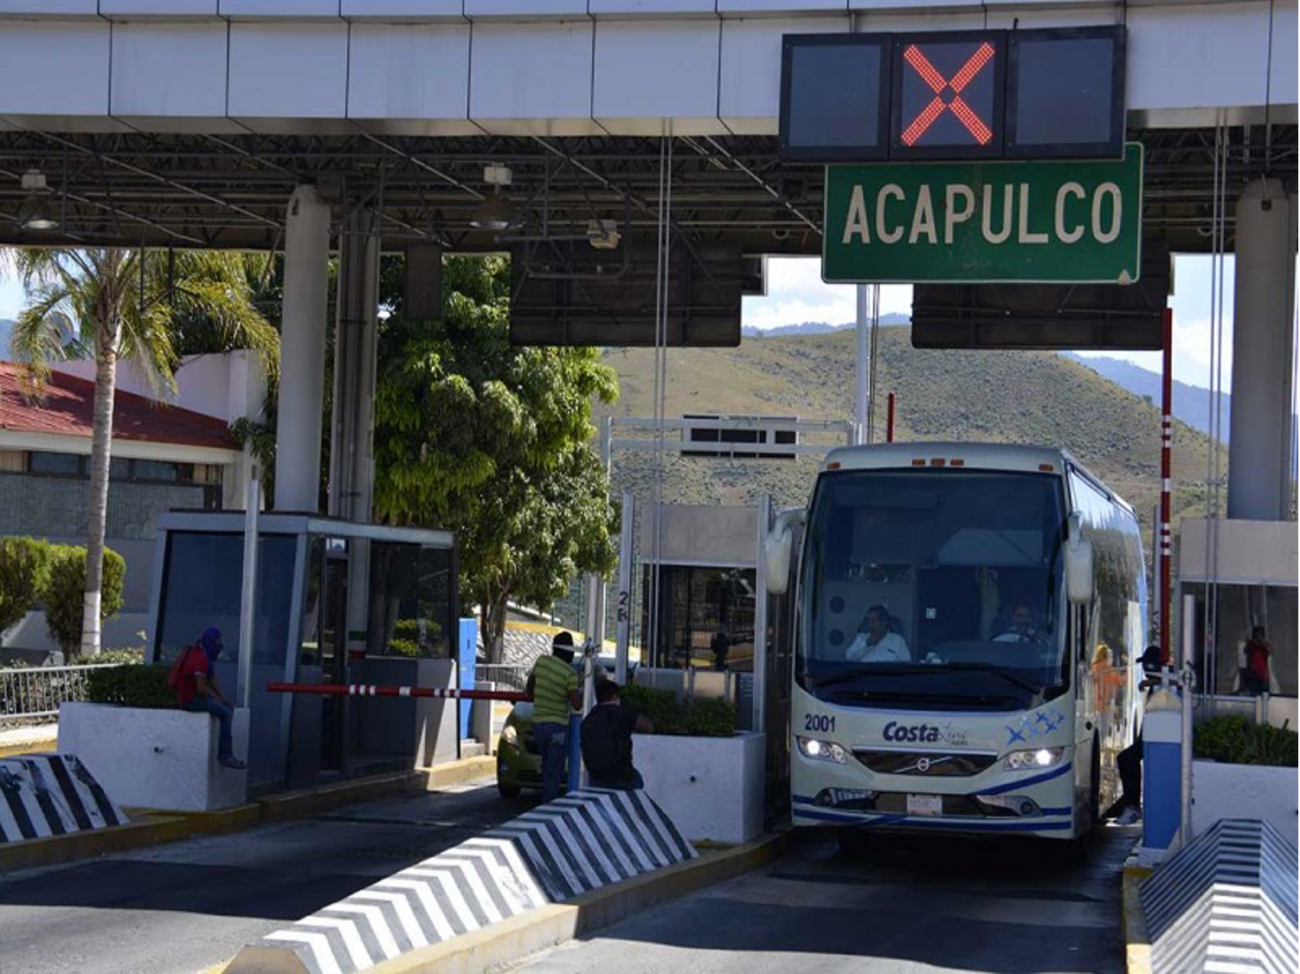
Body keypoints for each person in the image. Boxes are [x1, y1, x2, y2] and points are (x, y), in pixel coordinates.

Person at [171, 627, 246, 770]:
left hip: (191, 697)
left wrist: (222, 698)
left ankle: (226, 753)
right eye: (217, 642)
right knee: (226, 714)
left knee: (227, 708)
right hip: (190, 700)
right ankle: (226, 755)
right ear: (210, 642)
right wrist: (217, 699)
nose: (219, 646)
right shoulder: (200, 658)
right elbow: (201, 688)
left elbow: (211, 678)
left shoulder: (203, 655)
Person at [526, 631, 582, 801]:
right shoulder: (569, 673)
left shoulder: (541, 661)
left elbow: (529, 688)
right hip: (557, 727)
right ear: (569, 651)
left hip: (538, 725)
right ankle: (548, 806)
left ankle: (546, 800)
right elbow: (577, 704)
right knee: (553, 771)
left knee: (546, 767)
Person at [1115, 645, 1164, 825]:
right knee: (1126, 758)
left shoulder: (1162, 685)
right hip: (1152, 735)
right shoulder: (1156, 684)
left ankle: (1133, 807)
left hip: (1159, 737)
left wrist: (1150, 683)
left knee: (1127, 759)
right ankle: (1130, 804)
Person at [581, 680, 654, 790]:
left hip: (596, 778)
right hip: (622, 778)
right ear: (615, 696)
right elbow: (648, 727)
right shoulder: (623, 713)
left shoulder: (588, 720)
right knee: (638, 779)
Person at [845, 605, 910, 662]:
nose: (869, 625)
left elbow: (906, 663)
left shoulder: (898, 640)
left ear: (884, 622)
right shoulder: (861, 637)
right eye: (868, 621)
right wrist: (866, 644)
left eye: (873, 621)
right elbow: (849, 657)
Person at [1242, 626, 1272, 696]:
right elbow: (1245, 650)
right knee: (1253, 694)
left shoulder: (1265, 645)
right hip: (1252, 675)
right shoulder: (1251, 645)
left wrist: (1262, 642)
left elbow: (1269, 651)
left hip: (1263, 676)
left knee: (1263, 695)